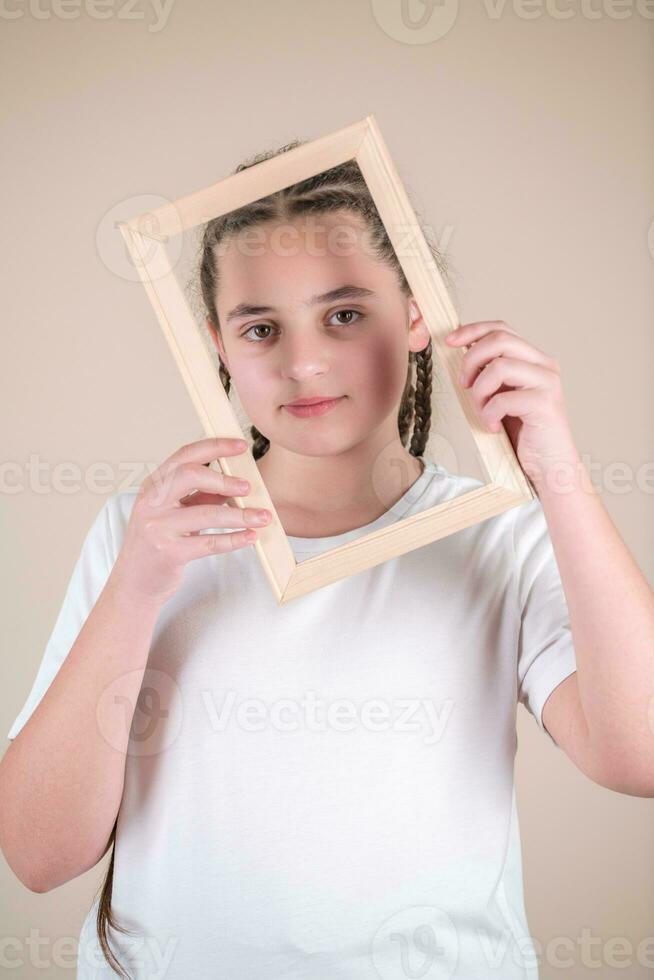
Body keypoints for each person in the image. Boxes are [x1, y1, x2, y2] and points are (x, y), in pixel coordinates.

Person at [1, 144, 652, 980]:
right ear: (218, 347)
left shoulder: (500, 535)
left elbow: (641, 753)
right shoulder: (147, 535)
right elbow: (36, 854)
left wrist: (558, 473)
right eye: (262, 328)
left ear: (416, 315)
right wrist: (136, 589)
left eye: (343, 315)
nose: (302, 363)